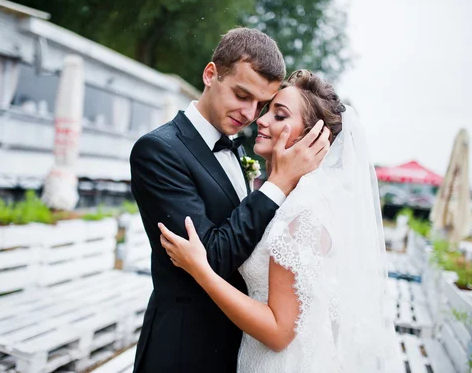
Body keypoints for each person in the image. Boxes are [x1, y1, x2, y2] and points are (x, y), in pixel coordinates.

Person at [160, 69, 394, 372]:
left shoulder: (303, 215)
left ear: (313, 137)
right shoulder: (287, 198)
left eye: (279, 115)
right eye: (268, 110)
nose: (261, 119)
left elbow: (279, 333)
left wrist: (201, 271)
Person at [129, 30, 331, 373]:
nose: (250, 114)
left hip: (239, 349)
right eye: (241, 95)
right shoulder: (159, 151)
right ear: (211, 75)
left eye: (262, 104)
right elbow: (214, 256)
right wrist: (277, 185)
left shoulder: (237, 150)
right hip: (182, 350)